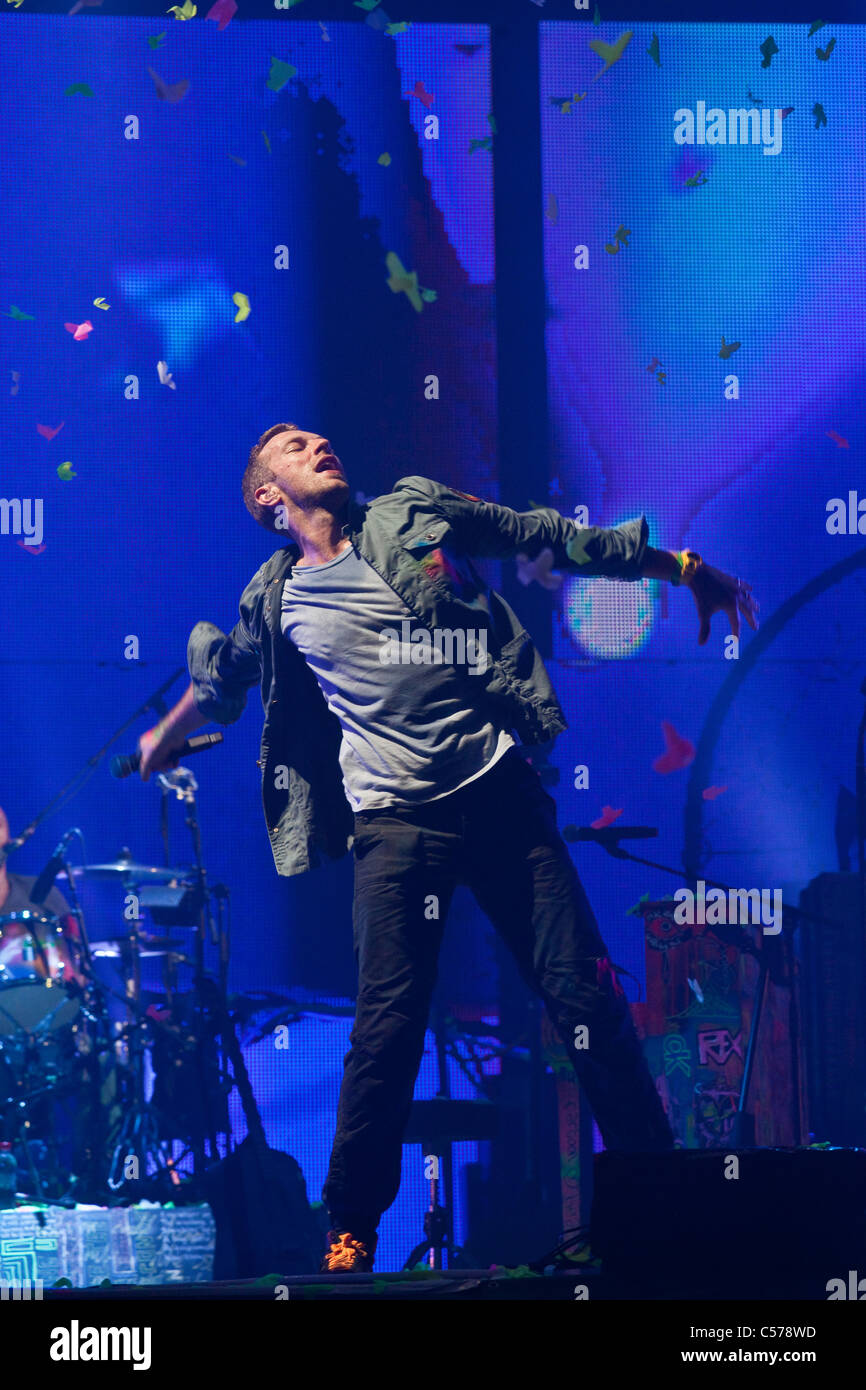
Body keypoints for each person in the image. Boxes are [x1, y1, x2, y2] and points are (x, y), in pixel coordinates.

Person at [138, 424, 759, 1272]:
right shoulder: (273, 597)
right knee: (386, 1029)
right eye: (292, 447)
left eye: (322, 438)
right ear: (266, 498)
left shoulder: (410, 510)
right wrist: (162, 736)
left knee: (586, 1002)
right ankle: (350, 1228)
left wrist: (682, 568)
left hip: (497, 794)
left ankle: (662, 1203)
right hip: (395, 823)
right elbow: (223, 682)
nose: (319, 443)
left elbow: (543, 535)